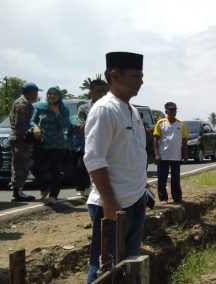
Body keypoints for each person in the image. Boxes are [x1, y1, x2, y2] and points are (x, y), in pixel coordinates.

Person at [83, 51, 147, 283]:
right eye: (135, 75)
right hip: (112, 205)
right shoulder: (104, 110)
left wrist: (143, 190)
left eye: (141, 75)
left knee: (128, 262)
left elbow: (133, 154)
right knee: (103, 269)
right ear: (115, 76)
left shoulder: (133, 110)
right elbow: (94, 160)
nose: (140, 81)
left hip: (135, 199)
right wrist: (110, 203)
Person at [30, 86, 70, 204]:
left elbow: (65, 125)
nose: (52, 96)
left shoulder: (63, 109)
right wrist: (35, 127)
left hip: (57, 145)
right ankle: (45, 187)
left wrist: (56, 112)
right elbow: (31, 120)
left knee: (55, 170)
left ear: (59, 96)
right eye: (50, 93)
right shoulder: (41, 108)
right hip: (42, 143)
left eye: (55, 94)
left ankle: (53, 195)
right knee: (34, 166)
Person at [75, 79, 108, 196]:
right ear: (91, 93)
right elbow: (81, 127)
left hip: (109, 146)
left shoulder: (113, 107)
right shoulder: (84, 108)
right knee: (85, 167)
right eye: (99, 91)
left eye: (105, 91)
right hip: (91, 145)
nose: (102, 94)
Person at [8, 82, 40, 202]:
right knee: (20, 165)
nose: (36, 95)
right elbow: (20, 125)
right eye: (35, 93)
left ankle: (19, 190)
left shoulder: (25, 103)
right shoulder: (23, 104)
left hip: (21, 139)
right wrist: (30, 133)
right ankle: (17, 192)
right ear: (30, 92)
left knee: (22, 164)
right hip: (20, 139)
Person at [153, 102, 188, 203]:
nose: (173, 112)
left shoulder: (181, 123)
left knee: (175, 178)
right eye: (171, 110)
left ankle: (177, 197)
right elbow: (155, 140)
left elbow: (184, 140)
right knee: (162, 178)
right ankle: (163, 198)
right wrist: (156, 154)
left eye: (175, 110)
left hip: (176, 156)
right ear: (166, 111)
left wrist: (185, 155)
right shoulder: (160, 123)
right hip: (163, 156)